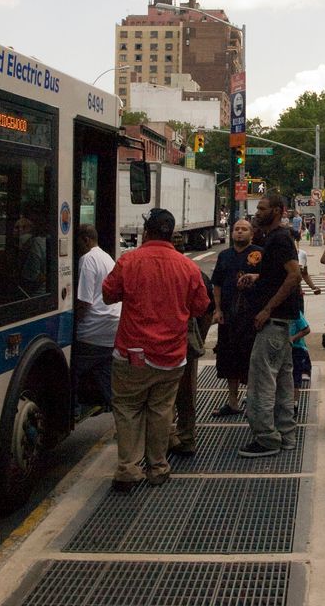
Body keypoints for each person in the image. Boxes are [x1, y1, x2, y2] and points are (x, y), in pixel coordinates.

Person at [102, 208, 211, 491]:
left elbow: (108, 294)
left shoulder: (130, 261)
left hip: (132, 352)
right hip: (171, 355)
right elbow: (201, 306)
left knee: (127, 408)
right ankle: (158, 467)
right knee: (161, 410)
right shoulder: (188, 267)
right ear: (172, 234)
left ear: (146, 232)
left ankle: (127, 469)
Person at [236, 191, 303, 457]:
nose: (257, 212)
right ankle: (286, 435)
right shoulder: (277, 239)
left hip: (273, 322)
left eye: (263, 208)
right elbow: (279, 275)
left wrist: (266, 309)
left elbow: (294, 275)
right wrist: (257, 277)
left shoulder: (279, 239)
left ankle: (266, 438)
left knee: (262, 382)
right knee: (284, 381)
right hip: (281, 324)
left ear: (278, 211)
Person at [211, 219, 262, 417]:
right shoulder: (224, 255)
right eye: (236, 229)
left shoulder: (259, 253)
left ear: (252, 233)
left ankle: (252, 401)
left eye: (244, 229)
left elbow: (268, 280)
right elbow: (217, 283)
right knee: (228, 358)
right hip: (229, 315)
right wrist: (217, 309)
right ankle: (232, 402)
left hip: (251, 316)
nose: (240, 232)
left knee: (250, 358)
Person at [73, 224, 121, 415]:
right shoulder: (106, 257)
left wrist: (74, 322)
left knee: (72, 367)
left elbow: (84, 300)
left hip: (93, 330)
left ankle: (73, 408)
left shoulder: (87, 260)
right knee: (103, 370)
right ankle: (117, 407)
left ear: (85, 240)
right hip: (112, 328)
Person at [170, 269, 215, 456]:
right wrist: (200, 339)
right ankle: (186, 437)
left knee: (158, 396)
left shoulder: (140, 264)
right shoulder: (192, 271)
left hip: (152, 341)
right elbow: (206, 309)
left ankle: (164, 438)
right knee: (186, 391)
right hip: (185, 339)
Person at [288, 309, 311, 413]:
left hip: (297, 348)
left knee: (295, 375)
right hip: (286, 347)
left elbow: (306, 329)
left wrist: (293, 338)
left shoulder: (295, 312)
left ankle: (294, 402)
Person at [292, 229, 321, 295]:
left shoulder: (302, 254)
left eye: (295, 240)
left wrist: (313, 287)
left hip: (297, 294)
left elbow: (304, 274)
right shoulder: (281, 254)